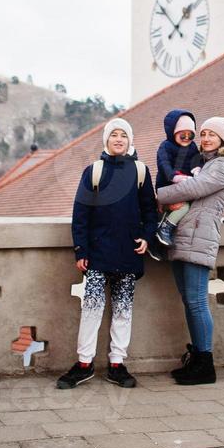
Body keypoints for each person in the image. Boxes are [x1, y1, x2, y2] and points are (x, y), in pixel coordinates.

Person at [57, 117, 157, 390]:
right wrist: (81, 249)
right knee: (91, 308)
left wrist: (147, 237)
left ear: (130, 140)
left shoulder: (141, 171)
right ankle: (84, 363)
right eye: (114, 135)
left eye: (123, 135)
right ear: (106, 140)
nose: (119, 139)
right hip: (98, 254)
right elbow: (81, 214)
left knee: (123, 310)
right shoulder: (94, 171)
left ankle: (117, 363)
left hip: (129, 251)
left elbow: (151, 211)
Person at [154, 115, 224, 386]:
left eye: (211, 134)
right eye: (202, 134)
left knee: (197, 301)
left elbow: (193, 188)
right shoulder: (203, 163)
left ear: (222, 139)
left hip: (200, 236)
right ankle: (197, 358)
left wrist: (156, 195)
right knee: (189, 301)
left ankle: (205, 364)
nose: (205, 139)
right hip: (185, 235)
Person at [151, 108, 201, 257]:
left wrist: (197, 169)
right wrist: (173, 176)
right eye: (182, 134)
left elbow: (196, 159)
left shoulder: (192, 147)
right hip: (167, 185)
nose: (186, 137)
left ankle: (160, 239)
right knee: (183, 207)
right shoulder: (165, 146)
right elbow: (163, 163)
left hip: (185, 185)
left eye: (190, 134)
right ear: (173, 131)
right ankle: (165, 228)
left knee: (188, 207)